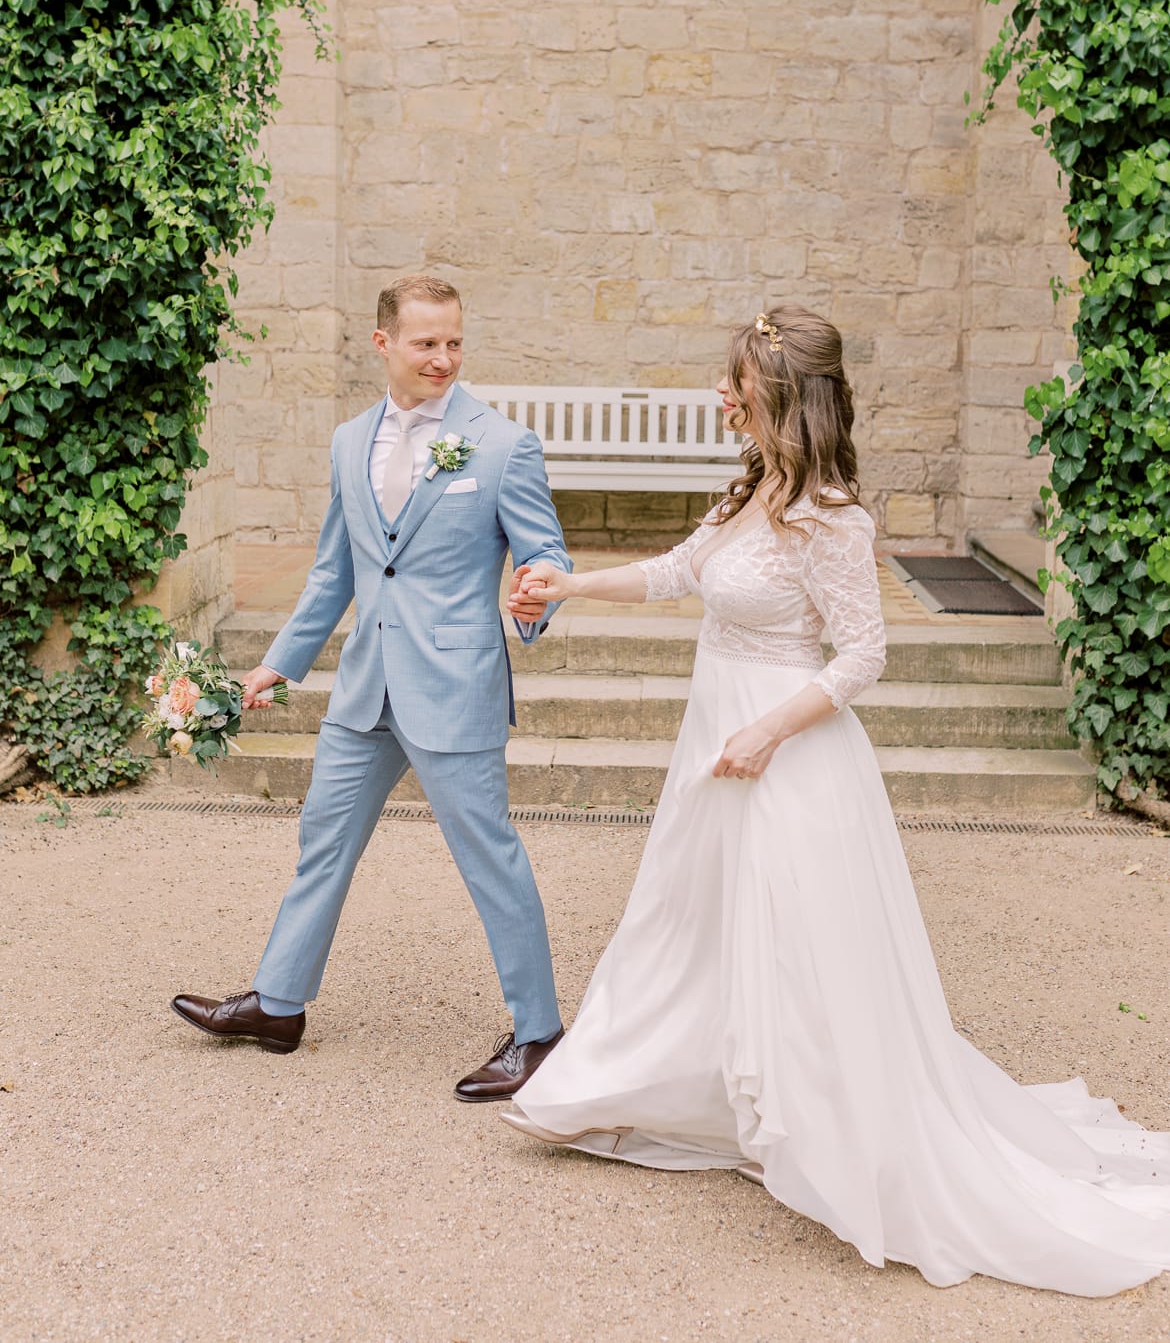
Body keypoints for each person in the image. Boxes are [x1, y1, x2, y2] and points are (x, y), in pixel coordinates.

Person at [501, 305, 1170, 1297]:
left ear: (783, 396)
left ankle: (831, 1134)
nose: (721, 396)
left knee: (802, 949)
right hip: (718, 741)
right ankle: (632, 1088)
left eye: (738, 383)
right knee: (691, 922)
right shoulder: (754, 491)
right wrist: (569, 587)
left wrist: (769, 732)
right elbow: (681, 573)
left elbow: (865, 653)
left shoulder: (834, 517)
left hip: (787, 755)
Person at [172, 274, 570, 1101]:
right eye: (426, 342)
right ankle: (278, 1004)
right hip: (366, 688)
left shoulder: (501, 444)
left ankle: (539, 1033)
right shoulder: (349, 441)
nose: (444, 358)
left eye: (455, 341)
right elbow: (334, 572)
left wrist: (536, 593)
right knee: (323, 841)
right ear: (383, 342)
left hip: (454, 684)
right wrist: (278, 663)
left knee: (489, 857)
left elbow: (545, 555)